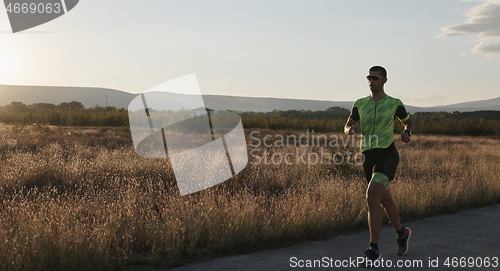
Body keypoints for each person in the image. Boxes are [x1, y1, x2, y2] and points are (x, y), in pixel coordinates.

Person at [344, 66, 415, 263]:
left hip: (387, 154)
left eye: (375, 77)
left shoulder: (394, 103)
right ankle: (402, 233)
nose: (371, 80)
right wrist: (350, 129)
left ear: (384, 80)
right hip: (368, 156)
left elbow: (408, 122)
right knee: (385, 200)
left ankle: (373, 249)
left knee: (371, 195)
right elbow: (347, 125)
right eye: (369, 77)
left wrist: (407, 133)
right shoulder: (359, 104)